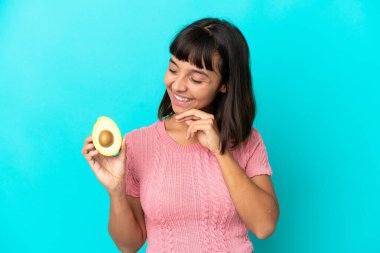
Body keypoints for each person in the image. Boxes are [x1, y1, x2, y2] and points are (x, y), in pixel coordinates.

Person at [82, 17, 280, 253]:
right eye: (173, 69)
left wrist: (220, 152)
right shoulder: (137, 143)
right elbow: (129, 245)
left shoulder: (247, 140)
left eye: (196, 78)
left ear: (224, 84)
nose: (177, 86)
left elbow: (264, 226)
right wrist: (116, 191)